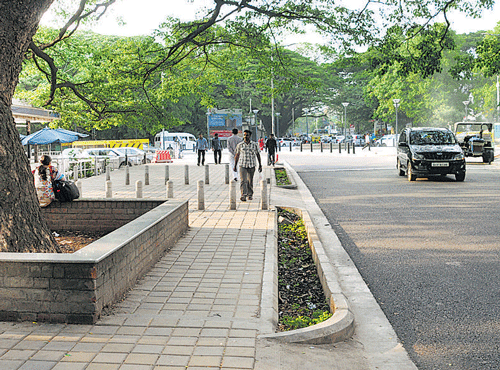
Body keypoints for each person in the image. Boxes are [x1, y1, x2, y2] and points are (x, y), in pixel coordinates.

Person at [233, 130, 262, 202]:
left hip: (252, 165)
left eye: (247, 135)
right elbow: (237, 155)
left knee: (250, 180)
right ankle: (243, 195)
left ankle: (250, 194)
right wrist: (235, 165)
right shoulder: (240, 145)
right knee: (243, 180)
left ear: (250, 136)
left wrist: (260, 165)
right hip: (242, 165)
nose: (246, 136)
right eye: (244, 135)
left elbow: (258, 154)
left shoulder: (254, 145)